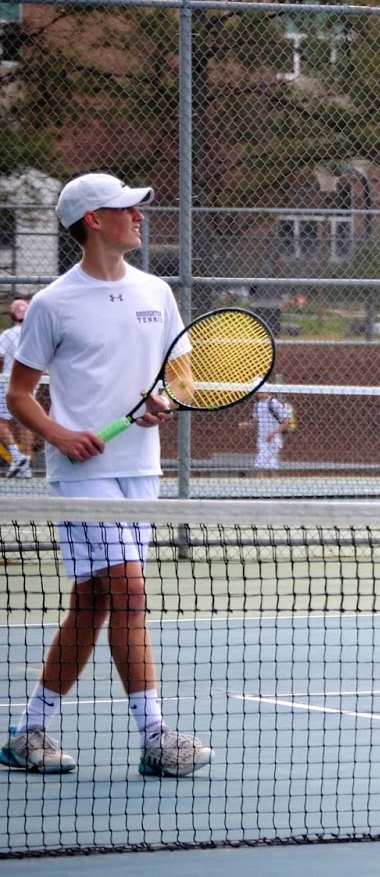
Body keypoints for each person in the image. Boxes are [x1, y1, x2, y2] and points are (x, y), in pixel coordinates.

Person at [1, 172, 213, 777]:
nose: (139, 216)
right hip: (81, 477)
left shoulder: (157, 293)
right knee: (131, 592)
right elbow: (19, 395)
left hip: (140, 469)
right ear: (93, 220)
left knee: (93, 604)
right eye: (126, 208)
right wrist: (60, 435)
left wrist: (167, 400)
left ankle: (28, 731)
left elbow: (182, 376)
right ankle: (157, 737)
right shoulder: (53, 304)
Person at [0, 297, 37, 477]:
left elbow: (0, 359)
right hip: (31, 380)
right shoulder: (34, 333)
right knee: (25, 421)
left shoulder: (7, 334)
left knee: (1, 420)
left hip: (8, 380)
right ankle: (25, 464)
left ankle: (16, 455)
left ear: (12, 315)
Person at [240, 386, 292, 477]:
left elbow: (286, 422)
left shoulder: (274, 403)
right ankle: (270, 480)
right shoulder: (257, 405)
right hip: (262, 437)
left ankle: (261, 477)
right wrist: (246, 424)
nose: (259, 395)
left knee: (261, 462)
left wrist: (274, 432)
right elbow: (255, 421)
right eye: (258, 393)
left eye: (262, 392)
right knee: (271, 463)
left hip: (274, 438)